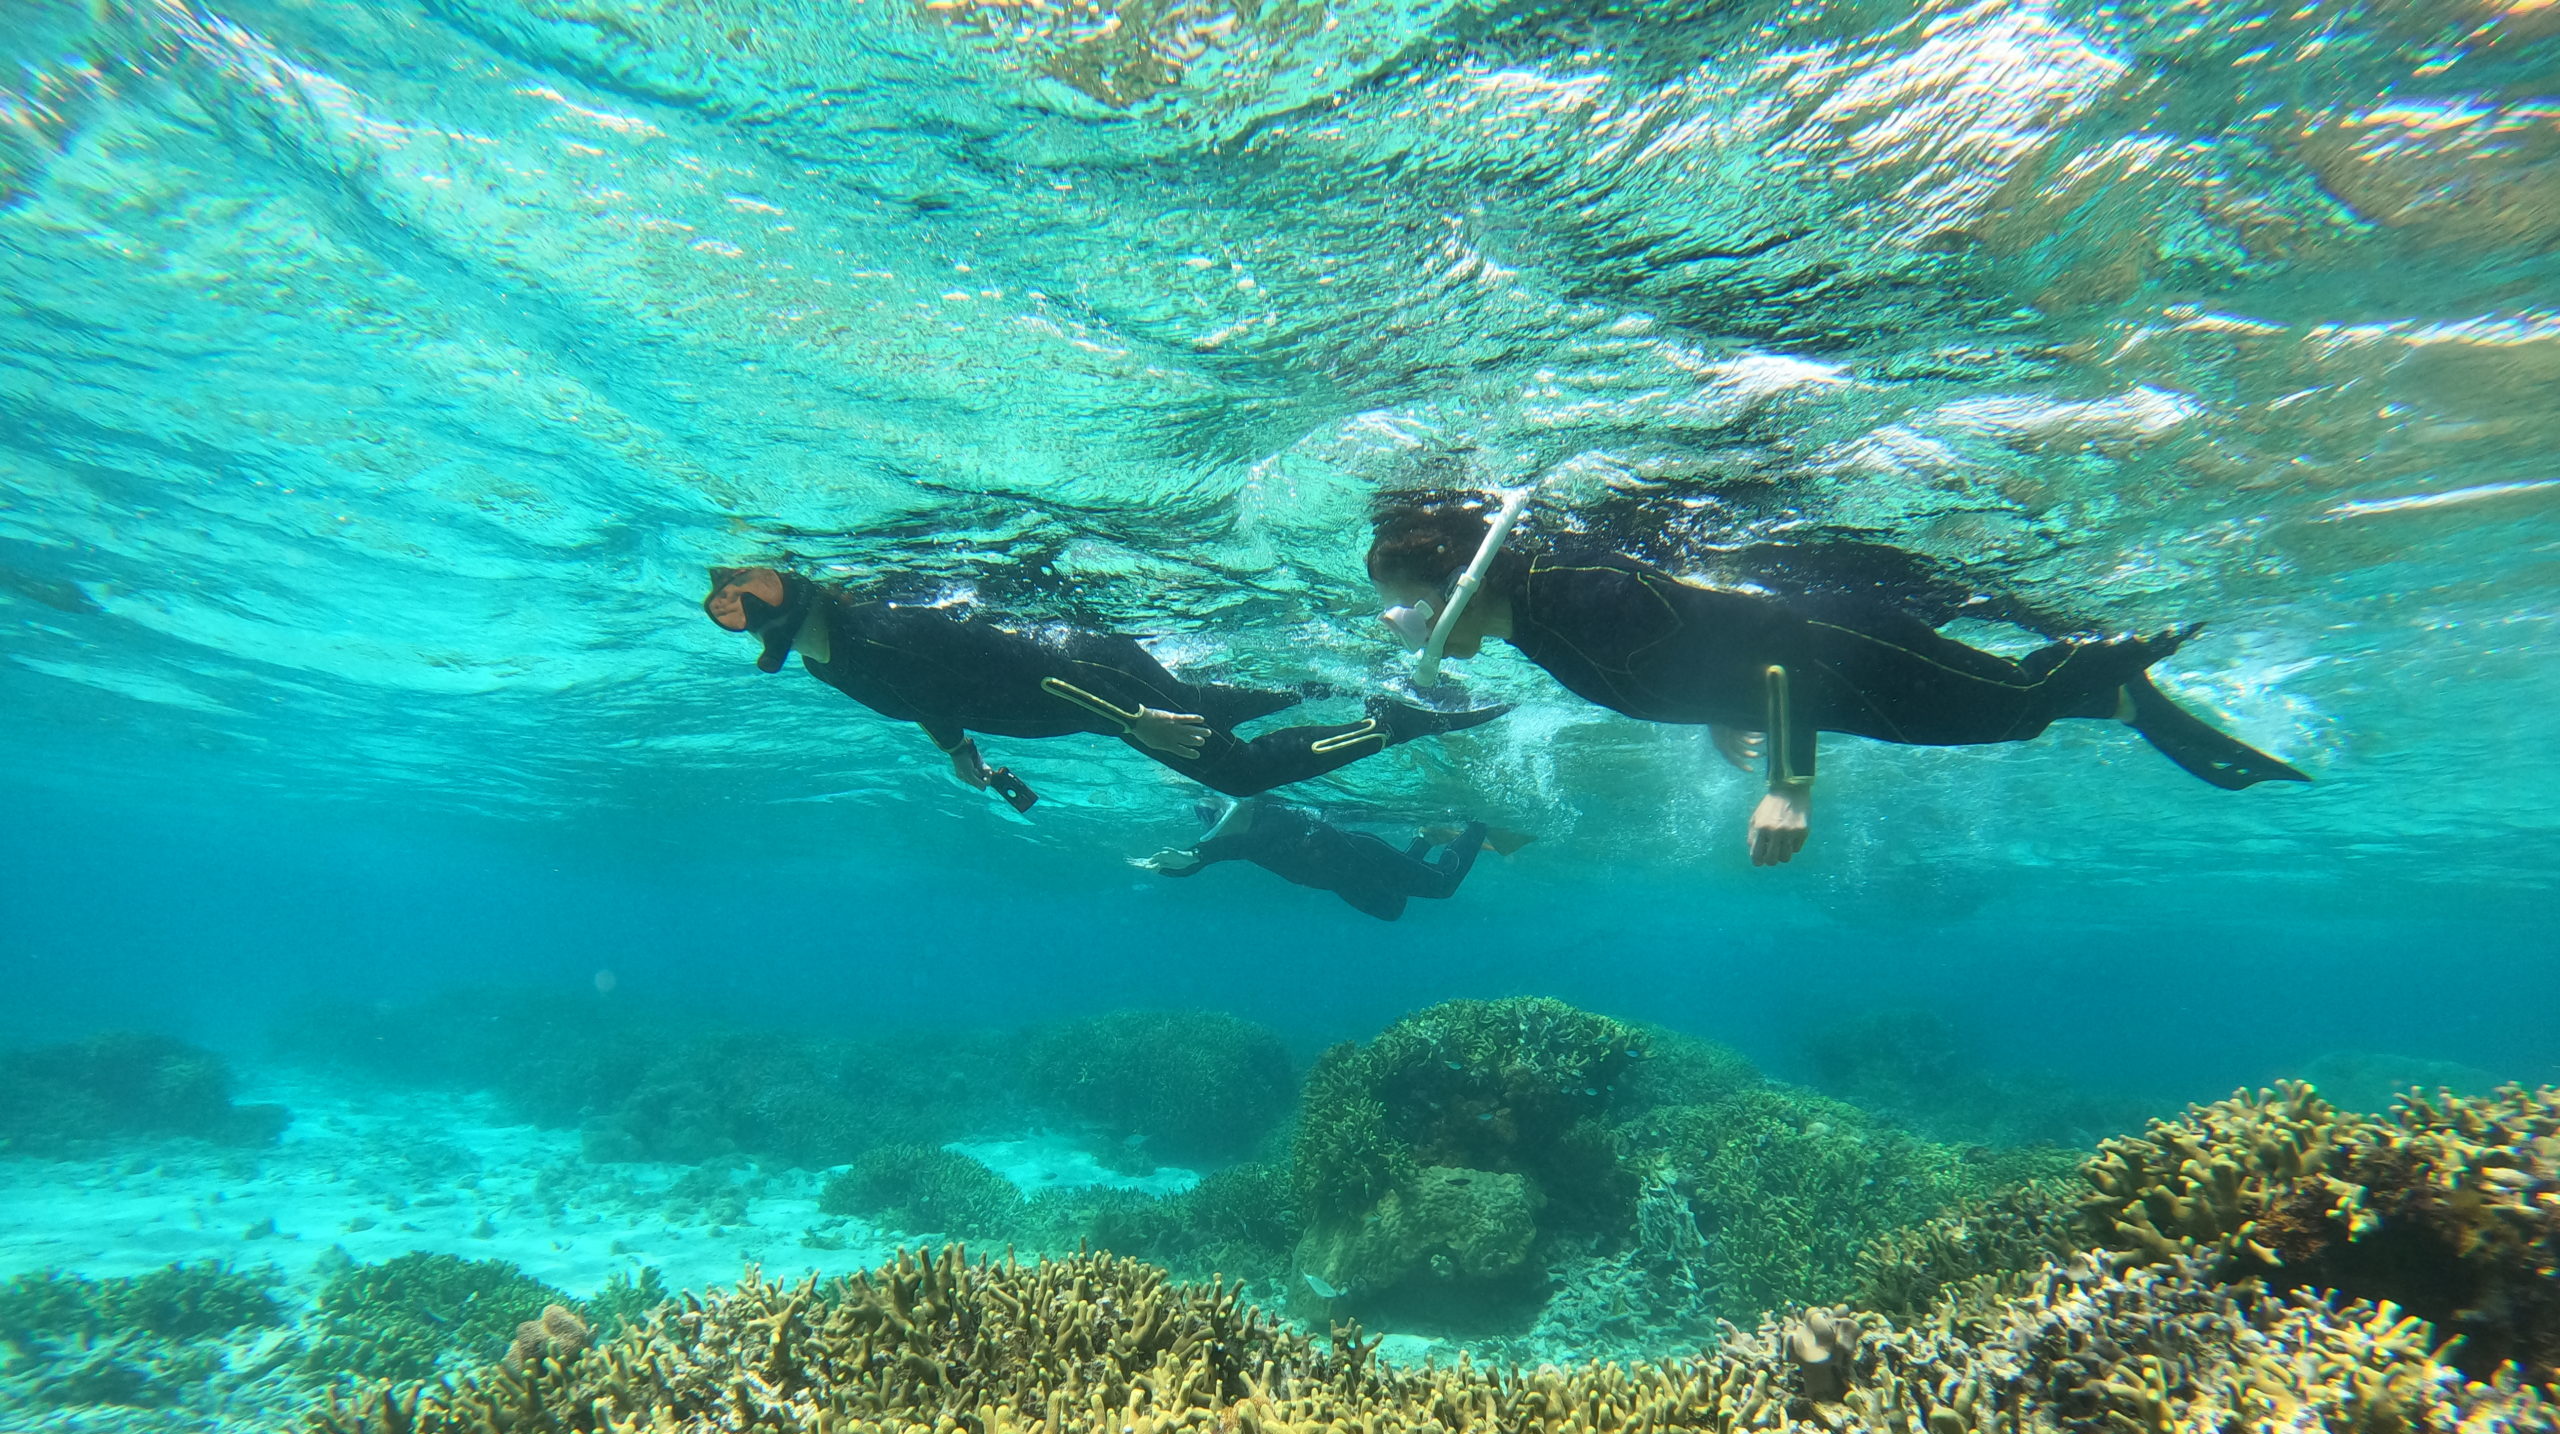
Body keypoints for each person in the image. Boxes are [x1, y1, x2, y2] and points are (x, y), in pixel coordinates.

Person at [1365, 493, 2309, 866]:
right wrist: (1712, 708)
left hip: (1844, 652)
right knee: (2009, 721)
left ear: (1458, 587)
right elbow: (1693, 649)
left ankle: (2118, 655)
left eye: (1405, 605)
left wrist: (1789, 786)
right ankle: (2115, 696)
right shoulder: (1529, 616)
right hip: (1826, 682)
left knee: (2015, 710)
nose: (1401, 628)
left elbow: (1773, 637)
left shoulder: (1577, 595)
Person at [704, 566, 1506, 803]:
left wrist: (1132, 724)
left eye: (743, 600)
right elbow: (928, 701)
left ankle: (1393, 721)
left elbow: (1035, 670)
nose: (739, 611)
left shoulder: (882, 629)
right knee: (1204, 708)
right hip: (1090, 687)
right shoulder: (829, 660)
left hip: (1088, 673)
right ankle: (1327, 679)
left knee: (1240, 773)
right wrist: (959, 754)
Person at [1135, 796, 1528, 920]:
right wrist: (1185, 860)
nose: (1218, 825)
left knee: (1442, 886)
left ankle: (1477, 826)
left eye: (1218, 816)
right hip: (1346, 880)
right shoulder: (1244, 841)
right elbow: (1210, 855)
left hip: (1365, 856)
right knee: (1393, 909)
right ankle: (1423, 838)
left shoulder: (1273, 816)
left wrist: (1194, 853)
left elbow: (1216, 850)